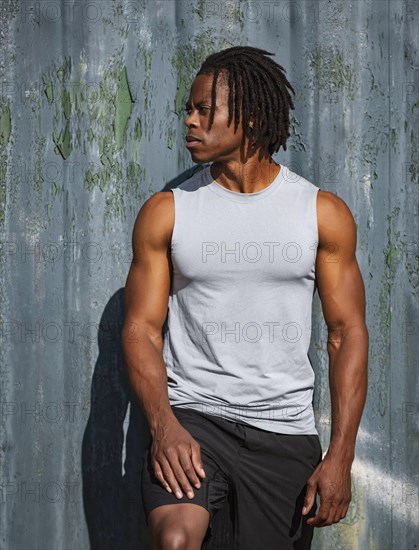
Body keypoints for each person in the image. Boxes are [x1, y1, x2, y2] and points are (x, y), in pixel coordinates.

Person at [122, 45, 368, 550]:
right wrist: (164, 427)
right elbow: (141, 329)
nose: (190, 121)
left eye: (204, 110)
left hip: (283, 432)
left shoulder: (321, 213)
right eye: (188, 110)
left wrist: (340, 456)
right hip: (195, 418)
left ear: (251, 117)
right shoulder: (168, 212)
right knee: (175, 540)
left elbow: (346, 335)